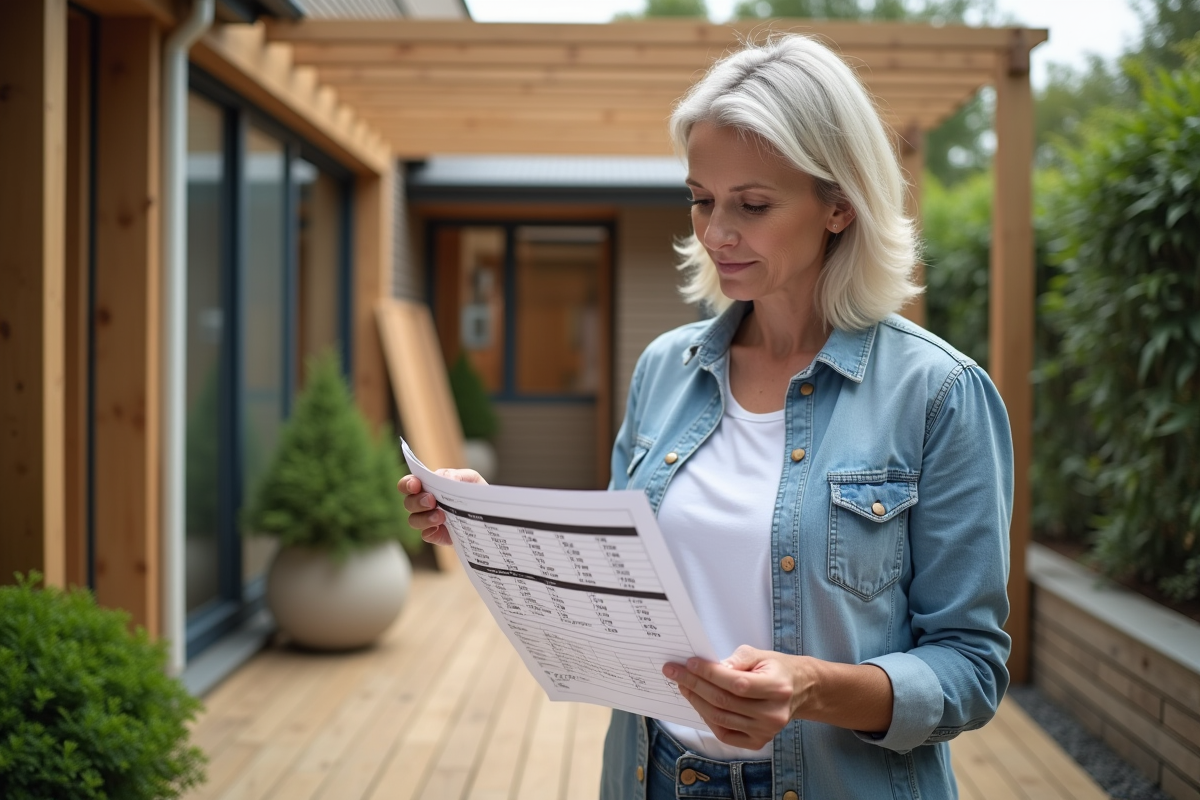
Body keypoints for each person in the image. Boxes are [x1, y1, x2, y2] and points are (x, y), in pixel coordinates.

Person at [400, 33, 1013, 800]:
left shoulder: (940, 395)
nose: (716, 230)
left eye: (752, 204)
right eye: (700, 198)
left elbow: (972, 668)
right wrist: (488, 520)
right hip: (652, 775)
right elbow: (626, 561)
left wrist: (812, 687)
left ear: (839, 205)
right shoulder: (667, 368)